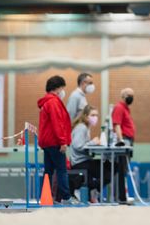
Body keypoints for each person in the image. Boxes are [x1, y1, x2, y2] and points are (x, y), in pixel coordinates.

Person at [37, 75, 77, 204]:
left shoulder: (46, 102)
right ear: (58, 88)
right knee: (62, 170)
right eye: (62, 88)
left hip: (46, 142)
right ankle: (66, 198)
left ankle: (45, 197)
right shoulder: (53, 102)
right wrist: (62, 141)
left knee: (48, 171)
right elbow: (57, 123)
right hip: (55, 142)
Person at [70, 105, 111, 203]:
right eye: (92, 115)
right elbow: (78, 145)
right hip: (79, 162)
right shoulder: (81, 128)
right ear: (86, 116)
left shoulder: (86, 128)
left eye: (96, 115)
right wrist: (93, 142)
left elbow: (85, 146)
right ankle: (92, 190)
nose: (95, 117)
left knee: (108, 167)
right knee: (109, 170)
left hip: (86, 160)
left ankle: (94, 190)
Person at [112, 88, 136, 204]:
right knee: (121, 170)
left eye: (132, 95)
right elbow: (117, 125)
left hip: (128, 141)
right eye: (128, 94)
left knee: (124, 169)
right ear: (123, 96)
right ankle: (121, 198)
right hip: (124, 142)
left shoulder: (126, 109)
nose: (131, 97)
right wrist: (121, 141)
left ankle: (122, 196)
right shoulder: (119, 108)